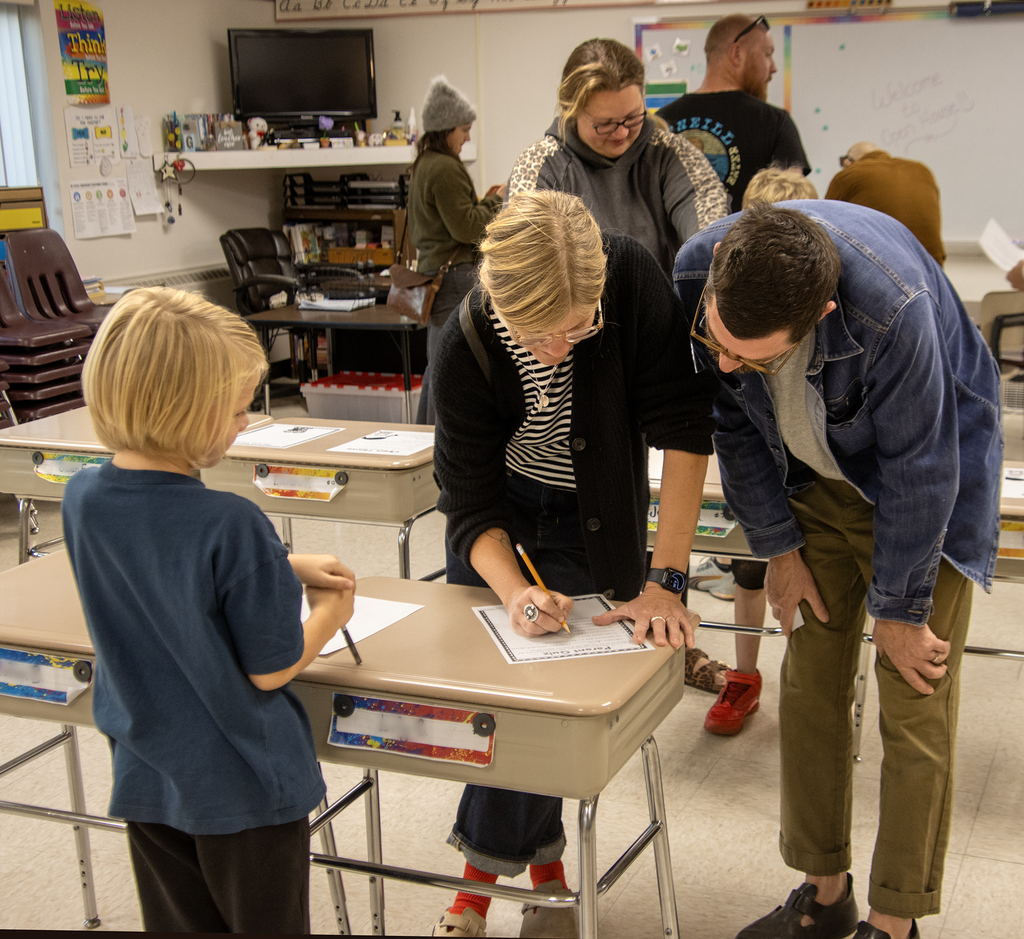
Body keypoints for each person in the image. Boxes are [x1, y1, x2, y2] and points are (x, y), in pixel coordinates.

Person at [674, 201, 1002, 939]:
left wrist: (901, 609)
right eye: (716, 341)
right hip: (816, 479)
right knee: (813, 672)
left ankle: (892, 921)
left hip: (929, 484)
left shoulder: (893, 313)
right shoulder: (699, 266)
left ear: (820, 314)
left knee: (914, 691)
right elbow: (730, 419)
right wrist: (780, 549)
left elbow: (922, 467)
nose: (726, 363)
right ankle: (825, 892)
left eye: (753, 357)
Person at [430, 190, 719, 938]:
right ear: (501, 303)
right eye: (539, 334)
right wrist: (517, 591)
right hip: (506, 518)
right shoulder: (462, 339)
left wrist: (669, 580)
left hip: (594, 506)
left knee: (548, 703)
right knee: (506, 701)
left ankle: (476, 884)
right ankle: (545, 865)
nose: (562, 347)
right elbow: (469, 506)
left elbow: (684, 431)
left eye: (579, 327)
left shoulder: (627, 277)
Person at [61, 287, 357, 933]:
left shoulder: (82, 495)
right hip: (244, 786)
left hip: (147, 772)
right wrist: (329, 615)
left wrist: (277, 568)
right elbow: (272, 669)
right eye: (234, 410)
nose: (244, 421)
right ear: (182, 412)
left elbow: (160, 571)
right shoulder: (232, 522)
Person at [692, 165, 819, 737]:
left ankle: (814, 684)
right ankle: (745, 677)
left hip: (815, 480)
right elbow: (728, 418)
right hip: (757, 476)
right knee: (750, 574)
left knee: (814, 590)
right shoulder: (721, 304)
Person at [507, 37, 727, 276]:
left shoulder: (673, 154)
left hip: (662, 310)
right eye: (604, 124)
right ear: (570, 110)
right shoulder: (539, 165)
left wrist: (712, 256)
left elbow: (710, 233)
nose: (621, 133)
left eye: (633, 117)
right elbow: (522, 263)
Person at [407, 75, 505, 424]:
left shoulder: (424, 165)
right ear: (446, 128)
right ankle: (440, 444)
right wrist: (497, 200)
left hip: (435, 274)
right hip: (455, 278)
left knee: (437, 364)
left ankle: (424, 438)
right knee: (451, 363)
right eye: (464, 129)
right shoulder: (446, 168)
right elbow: (466, 227)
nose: (467, 137)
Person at [656, 14, 810, 208]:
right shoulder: (775, 122)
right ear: (737, 54)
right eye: (767, 55)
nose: (774, 68)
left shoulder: (662, 119)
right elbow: (793, 204)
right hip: (747, 238)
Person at [826, 141, 945, 266]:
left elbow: (824, 228)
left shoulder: (847, 175)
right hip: (934, 268)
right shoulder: (923, 170)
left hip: (887, 269)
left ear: (847, 162)